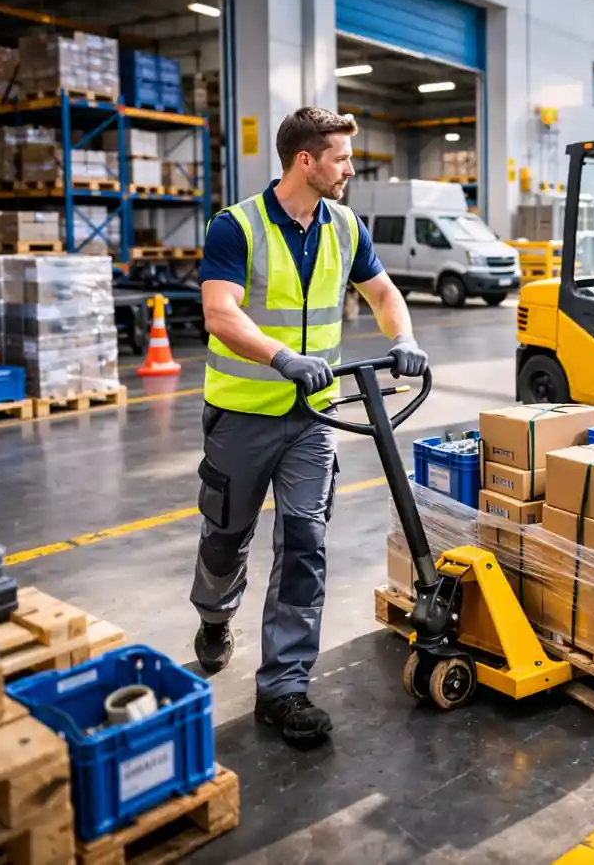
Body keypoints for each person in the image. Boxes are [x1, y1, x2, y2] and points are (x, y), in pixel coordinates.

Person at [192, 106, 427, 745]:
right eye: (342, 158)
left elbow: (382, 294)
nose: (350, 168)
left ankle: (284, 689)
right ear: (306, 161)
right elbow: (220, 314)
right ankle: (214, 617)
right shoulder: (235, 227)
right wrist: (281, 356)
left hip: (312, 422)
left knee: (305, 546)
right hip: (241, 417)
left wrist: (402, 335)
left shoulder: (347, 227)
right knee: (224, 538)